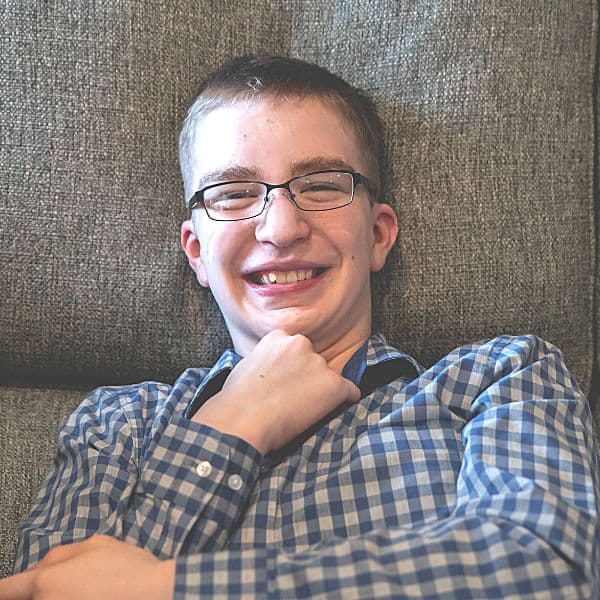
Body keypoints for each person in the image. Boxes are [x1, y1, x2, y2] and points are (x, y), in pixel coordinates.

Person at [0, 55, 598, 599]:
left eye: (321, 186)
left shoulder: (500, 378)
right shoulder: (116, 425)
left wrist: (164, 587)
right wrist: (231, 424)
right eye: (233, 194)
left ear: (378, 235)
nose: (280, 228)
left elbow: (549, 568)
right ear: (197, 254)